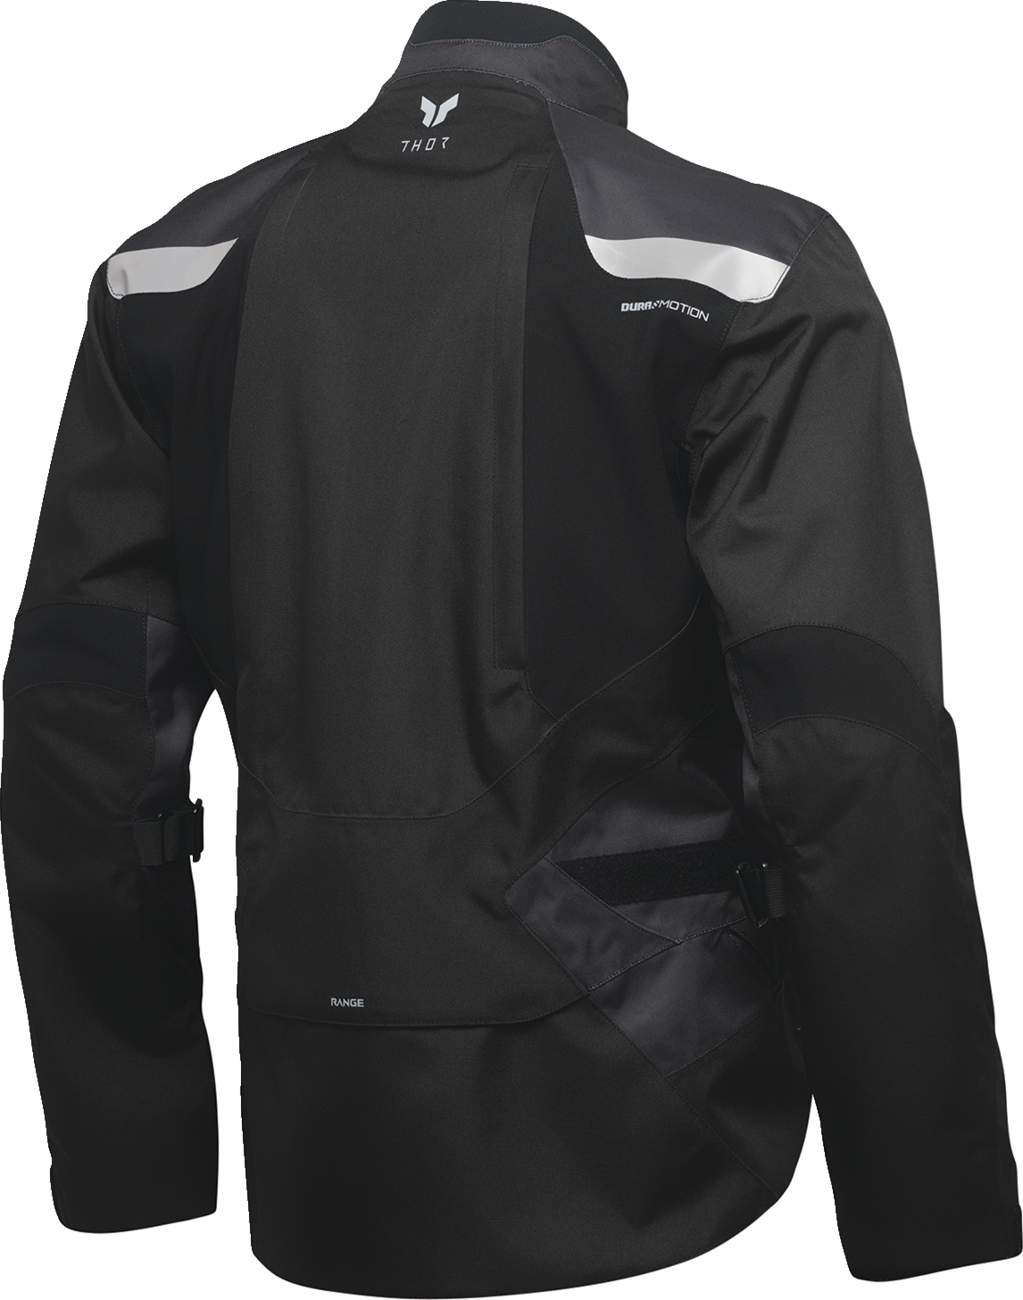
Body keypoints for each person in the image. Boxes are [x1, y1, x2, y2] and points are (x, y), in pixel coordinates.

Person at [4, 2, 1019, 1293]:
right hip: (652, 1122)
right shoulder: (747, 261)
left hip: (318, 1121)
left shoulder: (169, 267)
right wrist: (926, 1204)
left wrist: (130, 1154)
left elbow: (83, 730)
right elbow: (846, 736)